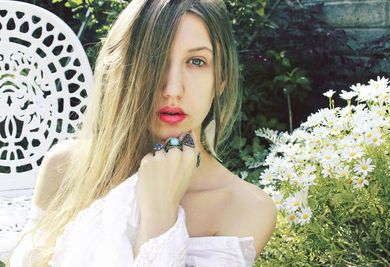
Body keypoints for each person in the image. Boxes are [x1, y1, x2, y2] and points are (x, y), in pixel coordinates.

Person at [8, 0, 276, 266]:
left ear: (220, 80)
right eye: (154, 59)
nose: (172, 89)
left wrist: (160, 213)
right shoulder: (66, 166)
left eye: (196, 61)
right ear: (123, 69)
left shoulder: (243, 208)